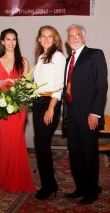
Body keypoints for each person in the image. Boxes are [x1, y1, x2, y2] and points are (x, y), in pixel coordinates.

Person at [63, 24, 108, 204]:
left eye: (77, 35)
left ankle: (92, 190)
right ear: (67, 40)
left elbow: (101, 86)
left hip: (89, 115)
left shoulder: (95, 54)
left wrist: (95, 113)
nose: (74, 38)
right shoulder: (68, 60)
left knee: (89, 154)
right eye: (70, 36)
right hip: (72, 116)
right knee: (75, 154)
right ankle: (80, 187)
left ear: (84, 37)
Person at [0, 28, 35, 192]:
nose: (11, 43)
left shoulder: (23, 61)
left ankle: (18, 179)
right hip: (3, 108)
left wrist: (19, 98)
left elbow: (26, 87)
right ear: (2, 42)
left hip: (18, 108)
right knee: (5, 142)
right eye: (8, 39)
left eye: (14, 39)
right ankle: (6, 178)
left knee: (17, 141)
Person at [32, 25, 66, 199]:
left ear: (55, 39)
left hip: (49, 102)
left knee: (41, 142)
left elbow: (59, 84)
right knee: (39, 142)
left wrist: (51, 107)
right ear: (39, 39)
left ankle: (49, 185)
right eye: (43, 36)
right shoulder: (40, 57)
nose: (46, 39)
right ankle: (49, 183)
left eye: (50, 36)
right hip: (38, 101)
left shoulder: (58, 56)